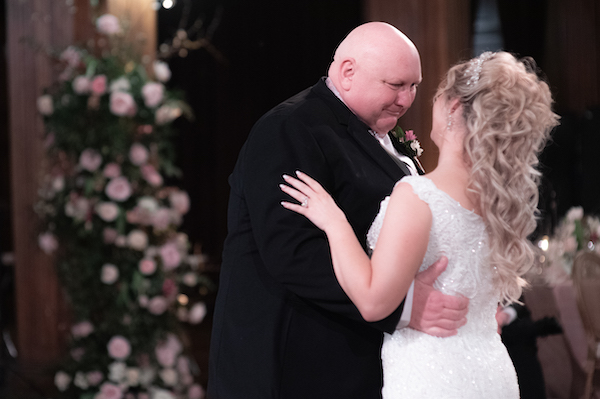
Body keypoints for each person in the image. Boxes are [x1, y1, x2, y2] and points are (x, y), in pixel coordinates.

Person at [208, 22, 469, 399]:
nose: (407, 99)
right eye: (396, 85)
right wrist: (401, 303)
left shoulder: (376, 129)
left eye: (414, 86)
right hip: (290, 365)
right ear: (348, 72)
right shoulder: (290, 128)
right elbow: (292, 252)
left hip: (353, 360)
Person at [280, 51, 559, 398]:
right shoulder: (500, 203)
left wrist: (335, 222)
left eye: (434, 92)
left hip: (434, 376)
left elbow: (372, 302)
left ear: (454, 108)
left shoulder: (419, 196)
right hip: (492, 373)